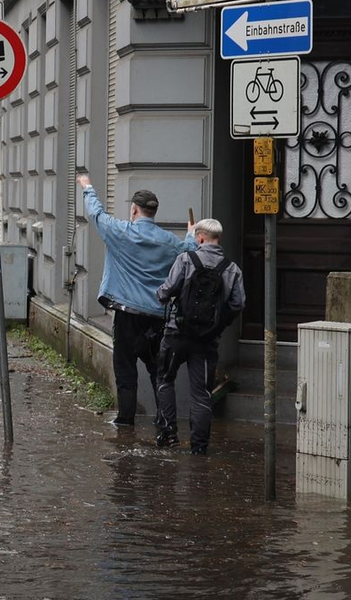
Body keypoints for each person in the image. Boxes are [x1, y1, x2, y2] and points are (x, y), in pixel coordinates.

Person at [77, 174, 196, 428]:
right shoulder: (169, 242)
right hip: (157, 317)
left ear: (134, 209)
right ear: (154, 212)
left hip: (127, 315)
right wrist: (191, 235)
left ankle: (125, 421)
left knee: (125, 370)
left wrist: (88, 186)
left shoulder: (120, 232)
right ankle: (164, 421)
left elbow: (96, 214)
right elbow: (189, 253)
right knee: (158, 371)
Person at [155, 218, 246, 454]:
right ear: (219, 239)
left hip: (177, 333)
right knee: (201, 393)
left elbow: (167, 291)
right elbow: (238, 304)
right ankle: (199, 446)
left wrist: (160, 295)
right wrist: (218, 325)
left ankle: (168, 434)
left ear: (200, 238)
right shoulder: (232, 269)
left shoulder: (186, 259)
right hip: (207, 341)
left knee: (165, 379)